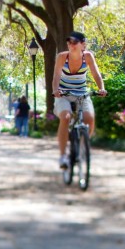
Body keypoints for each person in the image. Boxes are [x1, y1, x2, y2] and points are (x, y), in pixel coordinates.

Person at [52, 31, 107, 169]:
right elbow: (56, 76)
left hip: (82, 94)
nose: (71, 45)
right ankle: (63, 156)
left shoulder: (88, 57)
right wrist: (55, 90)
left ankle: (83, 146)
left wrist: (101, 88)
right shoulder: (61, 57)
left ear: (83, 45)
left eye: (75, 42)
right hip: (63, 94)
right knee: (66, 117)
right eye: (69, 42)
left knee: (89, 118)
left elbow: (96, 74)